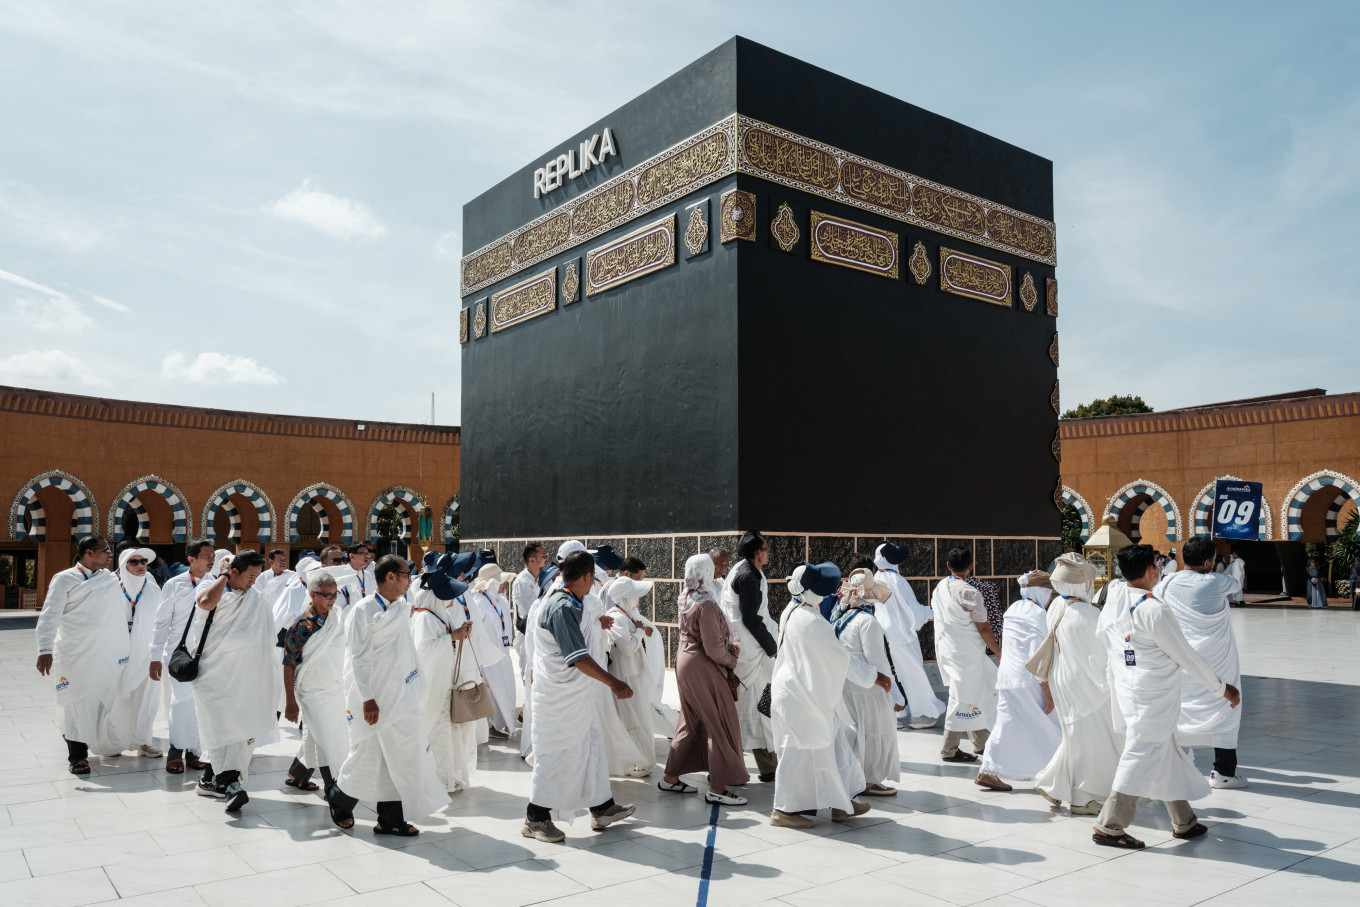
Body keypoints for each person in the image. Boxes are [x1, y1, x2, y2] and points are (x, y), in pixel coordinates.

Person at [1093, 544, 1241, 849]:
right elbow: (1187, 656)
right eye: (1157, 566)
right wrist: (1221, 687)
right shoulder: (1153, 610)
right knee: (1141, 754)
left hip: (1132, 687)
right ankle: (1110, 825)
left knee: (1167, 751)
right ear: (1150, 570)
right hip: (1152, 696)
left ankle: (1184, 821)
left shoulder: (1118, 596)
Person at [330, 554, 449, 835]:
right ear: (391, 577)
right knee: (368, 756)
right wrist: (368, 697)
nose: (410, 580)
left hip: (400, 696)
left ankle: (390, 820)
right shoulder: (364, 609)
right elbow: (358, 657)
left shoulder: (401, 608)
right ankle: (339, 800)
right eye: (406, 574)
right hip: (373, 698)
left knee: (398, 757)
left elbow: (403, 650)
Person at [523, 550, 637, 843]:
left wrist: (596, 623)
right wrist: (614, 683)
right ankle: (535, 817)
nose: (594, 585)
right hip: (558, 700)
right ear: (586, 576)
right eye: (593, 579)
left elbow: (581, 629)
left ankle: (602, 807)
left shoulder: (575, 600)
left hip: (577, 699)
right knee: (557, 756)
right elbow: (578, 658)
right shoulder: (561, 606)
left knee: (590, 749)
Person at [770, 562, 890, 828]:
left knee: (835, 747)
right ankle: (783, 811)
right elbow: (842, 660)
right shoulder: (811, 621)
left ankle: (842, 802)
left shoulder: (795, 609)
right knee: (797, 754)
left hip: (806, 693)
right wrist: (875, 677)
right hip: (800, 697)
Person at [1034, 555, 1123, 815]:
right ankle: (1083, 798)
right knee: (1092, 740)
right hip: (1085, 684)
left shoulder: (1056, 606)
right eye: (1088, 581)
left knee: (1077, 737)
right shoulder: (1086, 613)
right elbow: (1104, 653)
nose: (1091, 586)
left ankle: (1052, 784)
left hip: (1062, 679)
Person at [190, 550, 278, 811]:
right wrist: (224, 575)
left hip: (247, 677)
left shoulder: (255, 598)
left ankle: (209, 781)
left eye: (257, 577)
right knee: (219, 727)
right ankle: (231, 784)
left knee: (239, 730)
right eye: (249, 577)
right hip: (214, 674)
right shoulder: (211, 585)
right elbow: (205, 603)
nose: (253, 582)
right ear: (234, 572)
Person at [1156, 536, 1247, 789]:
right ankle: (1223, 772)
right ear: (1207, 562)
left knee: (1182, 707)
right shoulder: (1217, 582)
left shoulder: (1166, 583)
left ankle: (1177, 762)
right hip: (1217, 660)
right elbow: (1235, 582)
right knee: (1226, 706)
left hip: (1184, 659)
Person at [35, 536, 128, 775]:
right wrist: (44, 649)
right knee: (75, 701)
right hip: (74, 654)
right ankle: (77, 756)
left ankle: (90, 742)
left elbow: (116, 616)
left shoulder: (109, 579)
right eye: (105, 550)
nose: (110, 554)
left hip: (103, 654)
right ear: (89, 553)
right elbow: (50, 615)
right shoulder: (65, 578)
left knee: (97, 700)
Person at [660, 554, 749, 806]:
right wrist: (731, 660)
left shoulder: (686, 597)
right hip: (702, 665)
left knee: (691, 720)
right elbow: (713, 648)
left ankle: (670, 776)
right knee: (718, 721)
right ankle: (718, 788)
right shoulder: (707, 605)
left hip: (686, 662)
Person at [978, 571, 1060, 791]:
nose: (1050, 598)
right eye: (1049, 593)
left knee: (1004, 725)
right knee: (1052, 724)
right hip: (1027, 680)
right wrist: (1048, 692)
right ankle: (1058, 772)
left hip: (1006, 677)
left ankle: (988, 770)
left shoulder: (1013, 608)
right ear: (1042, 592)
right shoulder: (1038, 614)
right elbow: (1038, 656)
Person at [830, 568, 904, 796]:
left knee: (855, 730)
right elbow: (878, 661)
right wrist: (894, 693)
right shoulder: (867, 621)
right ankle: (870, 780)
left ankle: (850, 775)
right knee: (874, 732)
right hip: (869, 687)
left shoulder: (840, 617)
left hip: (847, 683)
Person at [409, 556, 476, 793]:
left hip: (443, 682)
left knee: (445, 732)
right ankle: (431, 777)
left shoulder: (440, 615)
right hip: (432, 685)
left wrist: (458, 635)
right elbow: (423, 650)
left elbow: (445, 642)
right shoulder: (425, 617)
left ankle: (444, 775)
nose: (452, 600)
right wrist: (452, 637)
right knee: (434, 731)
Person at [719, 530, 780, 781]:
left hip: (748, 650)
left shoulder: (746, 570)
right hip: (748, 652)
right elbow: (751, 620)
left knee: (757, 708)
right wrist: (772, 647)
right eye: (766, 549)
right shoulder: (747, 576)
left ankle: (768, 767)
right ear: (757, 552)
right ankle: (729, 767)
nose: (768, 553)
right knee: (750, 709)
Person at [281, 570, 349, 796]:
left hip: (335, 686)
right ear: (313, 595)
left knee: (321, 733)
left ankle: (298, 774)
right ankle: (333, 788)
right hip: (311, 689)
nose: (332, 599)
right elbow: (288, 663)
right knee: (323, 736)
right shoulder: (302, 625)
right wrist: (290, 701)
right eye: (327, 595)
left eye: (334, 594)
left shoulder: (338, 616)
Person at [151, 539, 216, 774]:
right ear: (191, 559)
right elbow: (161, 622)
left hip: (206, 654)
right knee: (181, 702)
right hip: (179, 654)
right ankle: (176, 750)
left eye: (213, 556)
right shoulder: (174, 585)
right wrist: (155, 655)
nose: (211, 560)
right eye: (206, 555)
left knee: (200, 703)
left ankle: (196, 751)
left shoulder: (215, 584)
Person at [931, 547, 1000, 763]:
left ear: (948, 565)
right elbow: (984, 628)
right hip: (967, 654)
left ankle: (980, 742)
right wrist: (998, 652)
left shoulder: (940, 587)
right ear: (971, 566)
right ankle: (949, 749)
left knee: (976, 691)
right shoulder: (970, 593)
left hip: (949, 649)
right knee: (960, 697)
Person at [97, 547, 163, 757]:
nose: (140, 565)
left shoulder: (153, 590)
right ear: (123, 565)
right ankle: (112, 743)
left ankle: (143, 741)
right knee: (116, 700)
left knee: (147, 700)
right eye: (134, 562)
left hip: (146, 655)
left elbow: (161, 623)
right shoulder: (111, 588)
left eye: (143, 561)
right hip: (117, 654)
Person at [872, 542, 944, 729]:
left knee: (891, 673)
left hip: (885, 633)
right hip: (903, 635)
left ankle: (895, 714)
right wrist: (933, 612)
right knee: (913, 674)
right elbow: (912, 610)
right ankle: (922, 714)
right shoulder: (897, 580)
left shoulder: (877, 577)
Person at [604, 558, 661, 774]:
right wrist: (639, 631)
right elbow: (626, 649)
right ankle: (637, 761)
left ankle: (644, 761)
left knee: (640, 719)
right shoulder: (617, 617)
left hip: (635, 673)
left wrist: (639, 629)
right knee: (631, 720)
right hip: (626, 675)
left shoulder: (628, 615)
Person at [470, 562, 519, 738]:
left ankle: (504, 723)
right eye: (500, 581)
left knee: (507, 689)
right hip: (488, 659)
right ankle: (490, 725)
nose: (503, 584)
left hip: (503, 656)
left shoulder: (502, 602)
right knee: (492, 690)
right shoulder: (478, 604)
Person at [512, 542, 549, 679]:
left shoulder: (542, 578)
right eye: (543, 555)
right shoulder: (522, 582)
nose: (547, 558)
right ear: (532, 559)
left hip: (540, 634)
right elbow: (534, 610)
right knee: (529, 676)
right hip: (527, 635)